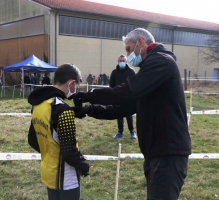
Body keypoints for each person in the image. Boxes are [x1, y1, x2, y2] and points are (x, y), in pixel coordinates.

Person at [70, 28, 191, 200]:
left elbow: (127, 90)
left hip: (168, 153)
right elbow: (123, 108)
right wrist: (89, 109)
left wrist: (89, 95)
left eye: (128, 49)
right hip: (156, 153)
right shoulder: (150, 69)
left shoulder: (160, 62)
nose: (127, 55)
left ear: (141, 42)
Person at [28, 63, 89, 200]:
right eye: (76, 87)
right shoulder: (63, 110)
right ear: (71, 83)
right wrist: (84, 166)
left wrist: (49, 151)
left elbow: (33, 139)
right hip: (66, 178)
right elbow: (69, 151)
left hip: (48, 172)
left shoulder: (38, 104)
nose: (76, 90)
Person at [110, 54, 136, 139]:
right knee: (119, 115)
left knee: (129, 115)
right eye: (120, 61)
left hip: (128, 97)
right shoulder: (114, 72)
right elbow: (111, 85)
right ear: (118, 61)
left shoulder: (131, 72)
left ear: (126, 61)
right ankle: (120, 132)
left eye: (123, 61)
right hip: (118, 97)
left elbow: (134, 84)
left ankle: (132, 131)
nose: (122, 62)